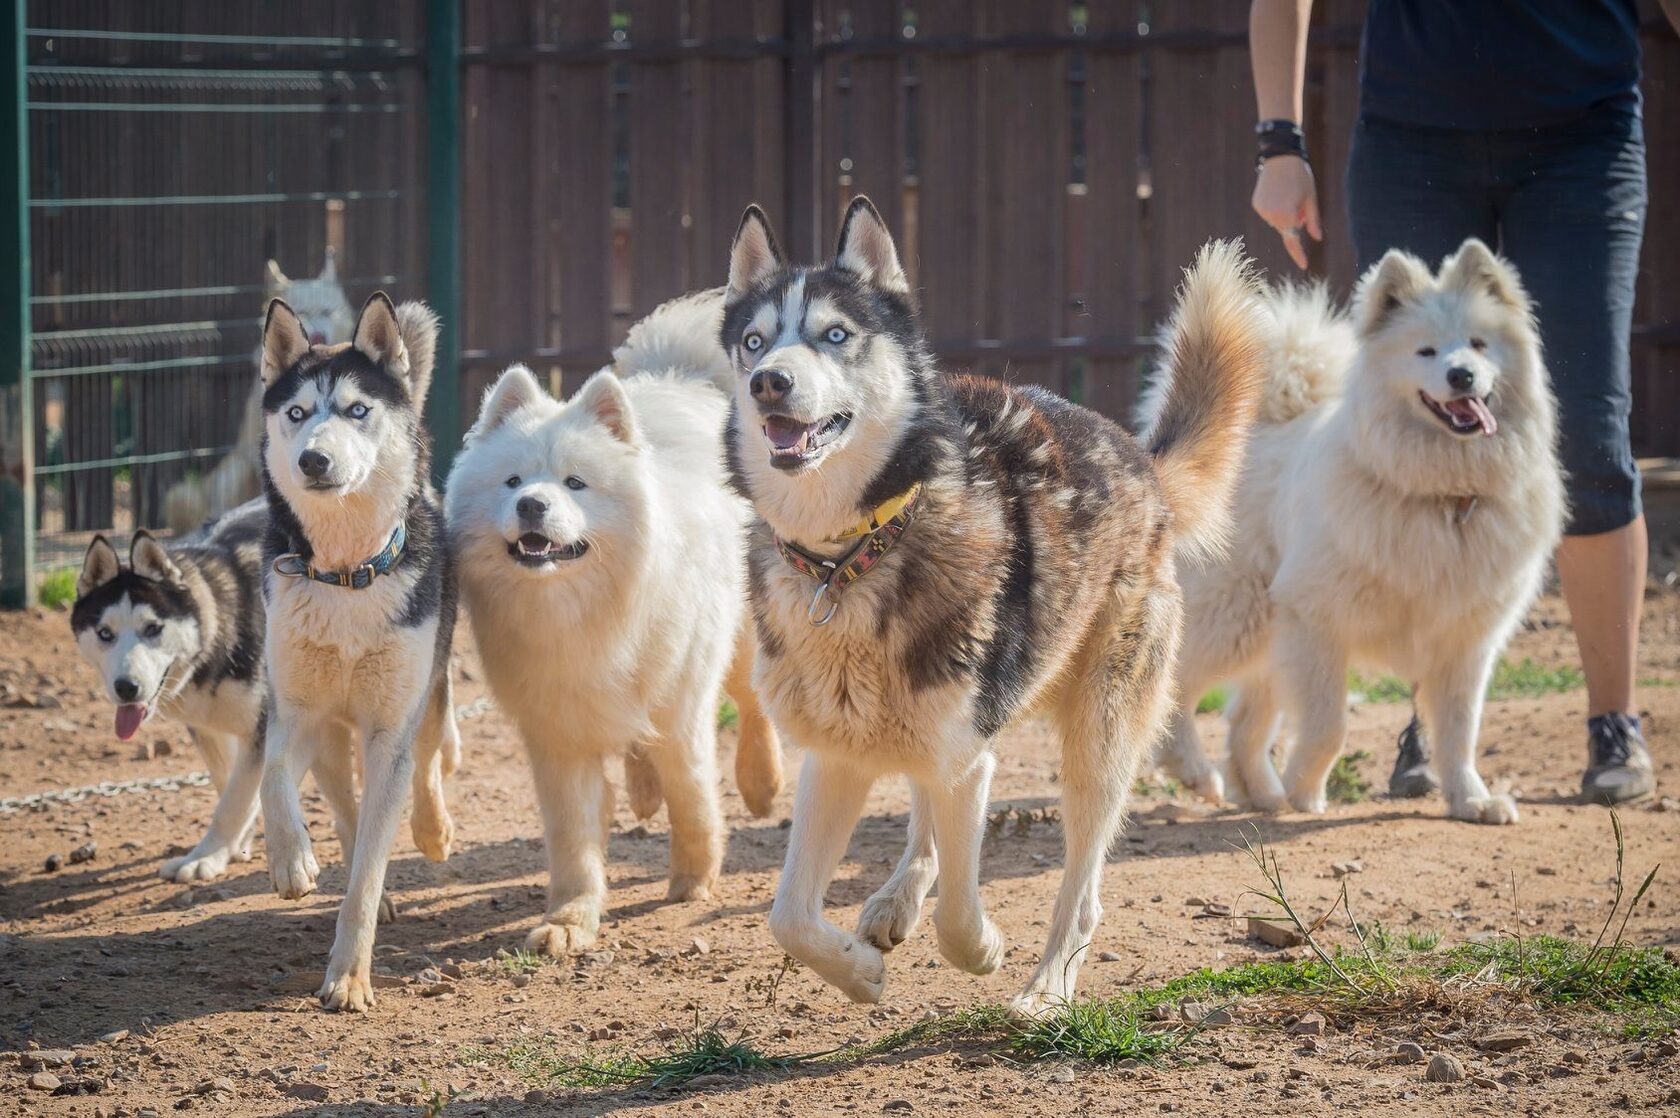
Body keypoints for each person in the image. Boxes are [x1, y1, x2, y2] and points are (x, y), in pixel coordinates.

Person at [1247, 0, 1678, 804]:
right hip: (1411, 134)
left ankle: (1612, 721)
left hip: (1586, 130)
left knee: (1587, 429)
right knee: (1403, 422)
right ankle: (1427, 725)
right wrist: (1280, 140)